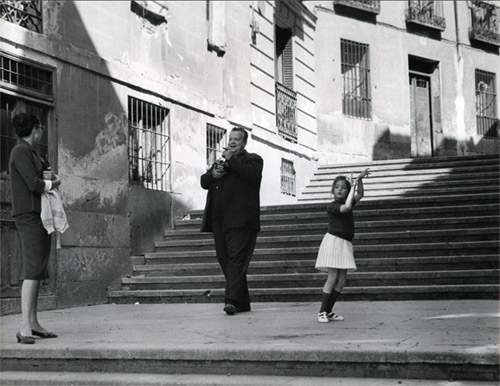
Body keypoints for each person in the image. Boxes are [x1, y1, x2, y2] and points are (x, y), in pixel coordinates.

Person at [9, 113, 61, 343]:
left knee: (38, 268)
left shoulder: (32, 153)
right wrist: (53, 182)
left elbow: (44, 175)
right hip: (29, 214)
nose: (41, 133)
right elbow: (34, 184)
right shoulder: (20, 151)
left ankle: (34, 322)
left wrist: (49, 175)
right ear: (35, 129)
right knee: (32, 268)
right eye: (40, 128)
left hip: (39, 214)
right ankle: (24, 327)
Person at [200, 127, 263, 315]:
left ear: (244, 143)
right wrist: (214, 174)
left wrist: (230, 159)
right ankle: (243, 302)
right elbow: (204, 182)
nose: (233, 142)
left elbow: (250, 175)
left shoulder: (253, 160)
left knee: (235, 259)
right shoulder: (222, 161)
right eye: (231, 139)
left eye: (237, 139)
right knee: (225, 259)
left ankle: (232, 301)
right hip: (218, 218)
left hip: (241, 220)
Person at [315, 168, 371, 323]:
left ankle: (329, 311)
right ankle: (321, 312)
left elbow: (360, 195)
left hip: (345, 243)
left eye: (344, 187)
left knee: (342, 280)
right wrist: (352, 186)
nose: (340, 189)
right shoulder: (332, 206)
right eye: (337, 187)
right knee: (332, 277)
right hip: (334, 242)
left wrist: (359, 180)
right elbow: (346, 207)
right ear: (333, 190)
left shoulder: (348, 200)